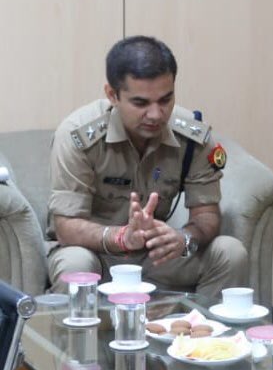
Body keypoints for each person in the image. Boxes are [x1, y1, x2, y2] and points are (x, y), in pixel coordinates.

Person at [47, 35, 248, 299]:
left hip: (156, 255)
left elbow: (207, 216)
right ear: (112, 95)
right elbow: (66, 227)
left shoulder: (192, 137)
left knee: (230, 252)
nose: (156, 115)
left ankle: (203, 337)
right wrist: (121, 238)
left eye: (165, 100)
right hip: (95, 253)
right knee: (75, 266)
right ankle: (78, 341)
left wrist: (183, 239)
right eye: (140, 103)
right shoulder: (78, 136)